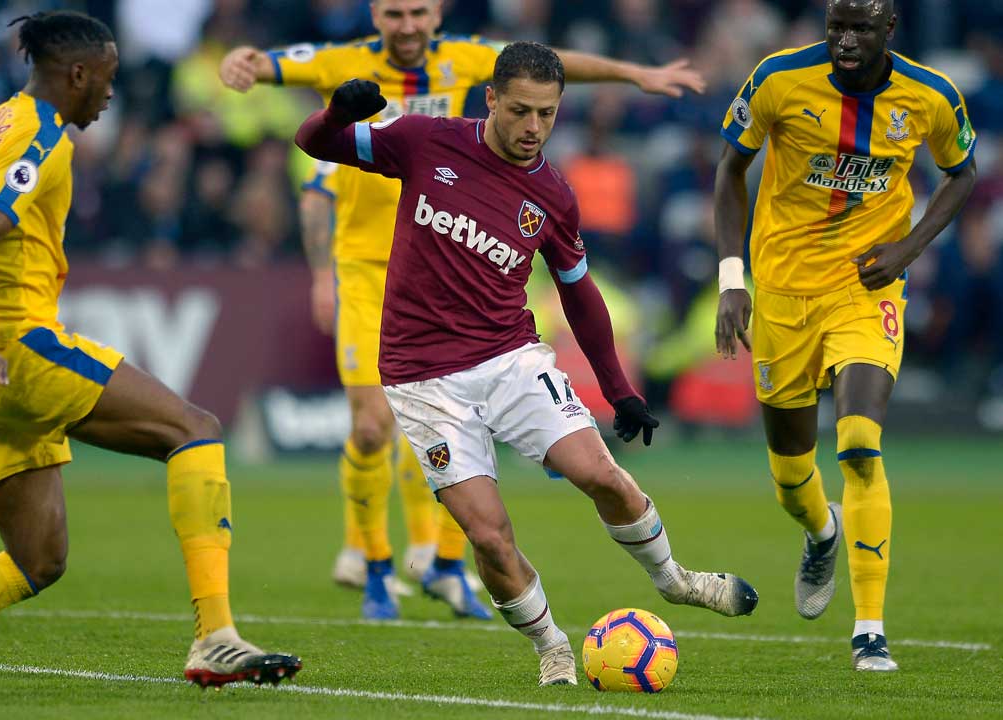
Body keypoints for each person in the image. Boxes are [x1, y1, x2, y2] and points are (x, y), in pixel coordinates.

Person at [0, 11, 301, 691]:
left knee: (36, 560)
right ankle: (215, 635)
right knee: (196, 431)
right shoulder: (42, 135)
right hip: (13, 349)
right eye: (108, 78)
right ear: (77, 74)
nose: (111, 93)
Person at [221, 0, 707, 621]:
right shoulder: (389, 102)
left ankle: (446, 564)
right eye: (394, 13)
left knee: (552, 461)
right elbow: (284, 80)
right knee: (372, 428)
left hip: (489, 330)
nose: (407, 25)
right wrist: (246, 62)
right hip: (371, 277)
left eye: (419, 12)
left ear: (436, 14)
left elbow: (553, 70)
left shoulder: (484, 79)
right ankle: (372, 563)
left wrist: (633, 74)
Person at [296, 41, 758, 686]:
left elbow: (579, 292)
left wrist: (619, 389)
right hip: (420, 377)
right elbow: (314, 142)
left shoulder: (553, 195)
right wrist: (335, 114)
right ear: (491, 99)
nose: (533, 127)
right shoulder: (425, 141)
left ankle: (675, 580)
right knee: (488, 536)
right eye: (519, 110)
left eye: (547, 113)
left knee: (604, 477)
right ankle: (552, 647)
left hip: (509, 358)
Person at [714, 0, 977, 672]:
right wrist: (730, 279)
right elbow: (729, 171)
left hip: (866, 288)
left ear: (890, 29)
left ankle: (869, 631)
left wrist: (908, 249)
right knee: (790, 475)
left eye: (860, 27)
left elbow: (961, 173)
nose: (845, 40)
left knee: (859, 441)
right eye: (835, 26)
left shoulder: (932, 95)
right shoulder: (777, 79)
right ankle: (822, 530)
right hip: (780, 293)